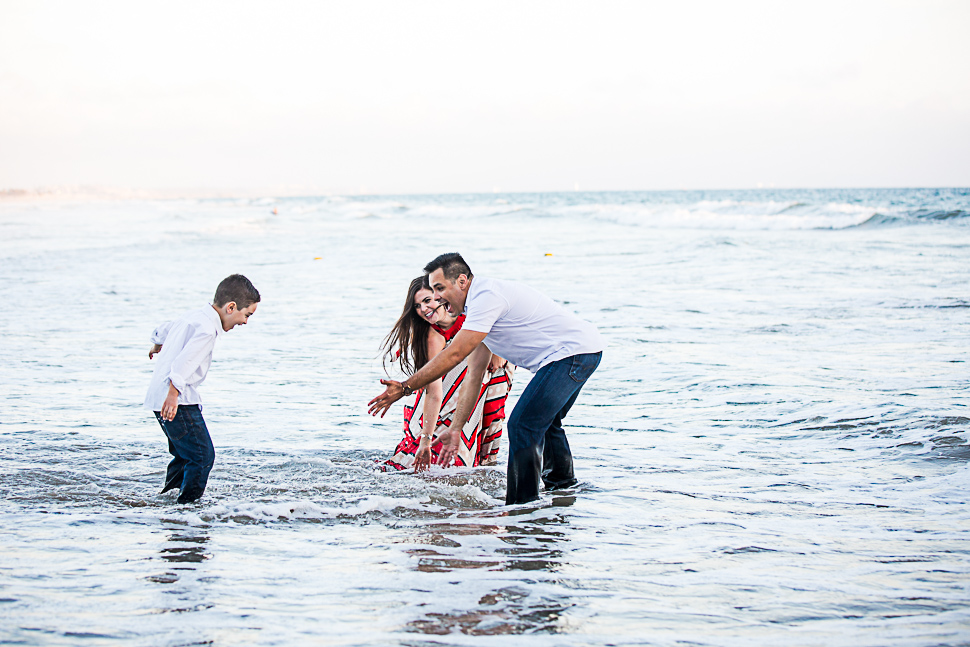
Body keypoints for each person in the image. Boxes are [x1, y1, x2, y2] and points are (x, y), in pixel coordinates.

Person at [369, 253, 604, 505]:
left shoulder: (486, 298)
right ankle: (562, 489)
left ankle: (521, 505)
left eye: (439, 288)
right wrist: (456, 428)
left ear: (461, 281)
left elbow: (455, 353)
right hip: (579, 352)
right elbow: (474, 375)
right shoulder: (477, 313)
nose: (436, 298)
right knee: (546, 422)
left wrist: (405, 387)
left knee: (522, 424)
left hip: (572, 354)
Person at [144, 274, 260, 504]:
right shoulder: (208, 329)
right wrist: (174, 394)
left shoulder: (195, 316)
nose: (245, 322)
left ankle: (168, 502)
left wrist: (158, 343)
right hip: (179, 400)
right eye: (246, 315)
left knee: (183, 456)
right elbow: (185, 362)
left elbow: (165, 328)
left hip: (159, 399)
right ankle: (186, 508)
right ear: (231, 307)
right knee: (202, 457)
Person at [378, 276, 513, 472]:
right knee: (441, 453)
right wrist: (425, 440)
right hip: (453, 390)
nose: (423, 310)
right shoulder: (432, 336)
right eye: (417, 306)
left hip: (489, 376)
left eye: (427, 301)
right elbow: (434, 391)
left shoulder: (468, 313)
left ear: (441, 296)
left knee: (492, 403)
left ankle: (486, 463)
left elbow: (500, 320)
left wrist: (497, 350)